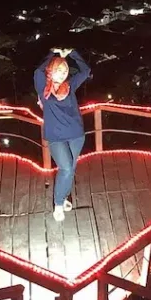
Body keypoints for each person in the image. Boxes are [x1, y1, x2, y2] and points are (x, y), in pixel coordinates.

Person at [34, 47, 91, 221]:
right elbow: (38, 70)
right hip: (56, 136)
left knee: (70, 169)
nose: (62, 73)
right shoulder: (43, 87)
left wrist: (73, 53)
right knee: (66, 167)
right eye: (59, 70)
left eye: (65, 70)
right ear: (51, 70)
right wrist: (53, 53)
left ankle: (64, 196)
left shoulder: (70, 86)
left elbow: (86, 71)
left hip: (76, 134)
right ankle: (58, 204)